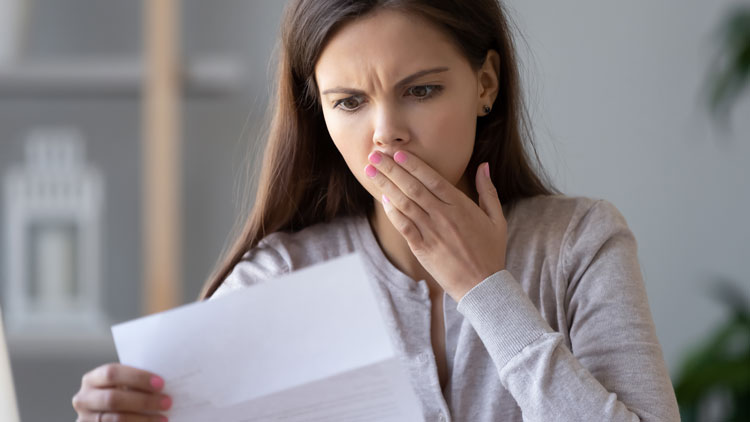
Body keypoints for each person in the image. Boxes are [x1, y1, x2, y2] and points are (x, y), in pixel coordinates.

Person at [73, 0, 681, 421]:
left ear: (486, 84)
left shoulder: (580, 243)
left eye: (421, 90)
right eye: (349, 102)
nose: (386, 134)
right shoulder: (281, 276)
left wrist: (486, 289)